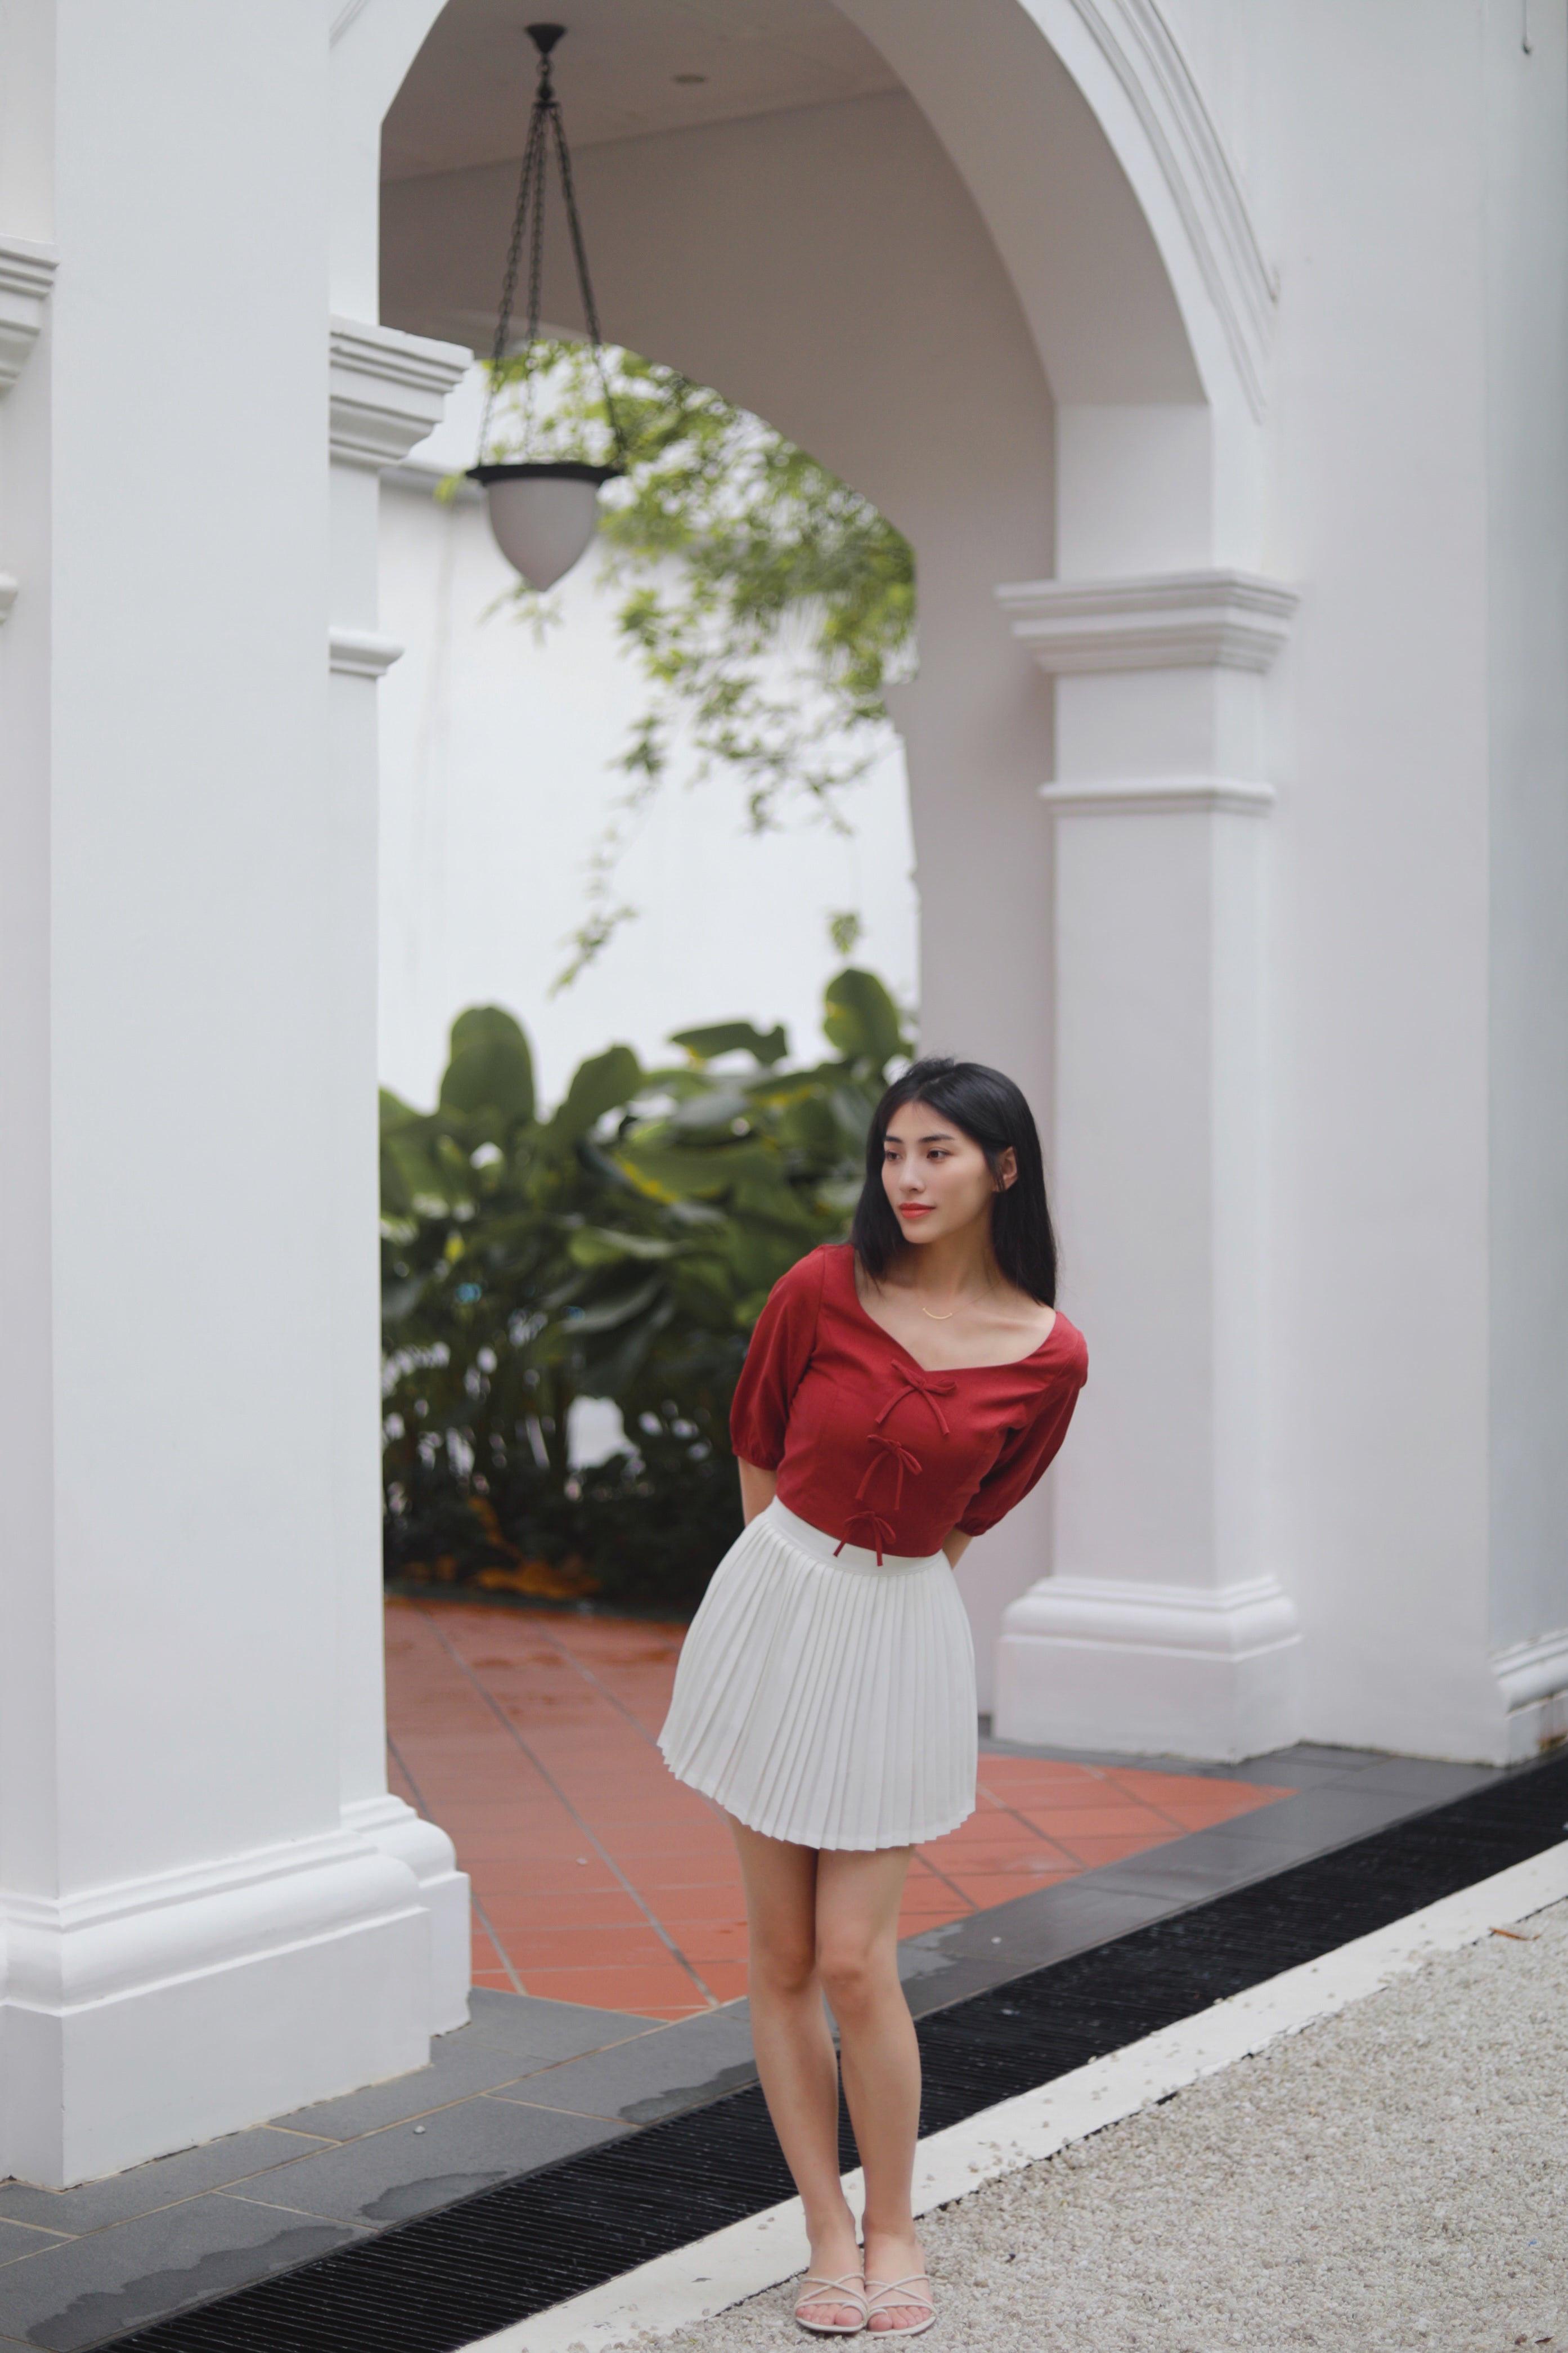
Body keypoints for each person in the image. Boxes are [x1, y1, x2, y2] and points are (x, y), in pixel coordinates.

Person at [659, 1058, 1088, 2338]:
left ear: (1001, 1171)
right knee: (781, 1954)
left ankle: (896, 2224)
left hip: (900, 1632)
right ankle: (826, 2235)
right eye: (893, 1151)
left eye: (937, 1154)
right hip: (774, 1599)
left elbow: (977, 1514)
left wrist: (876, 1599)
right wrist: (781, 1599)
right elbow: (756, 1436)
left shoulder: (1047, 1355)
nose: (905, 1177)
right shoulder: (817, 1287)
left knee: (855, 1957)